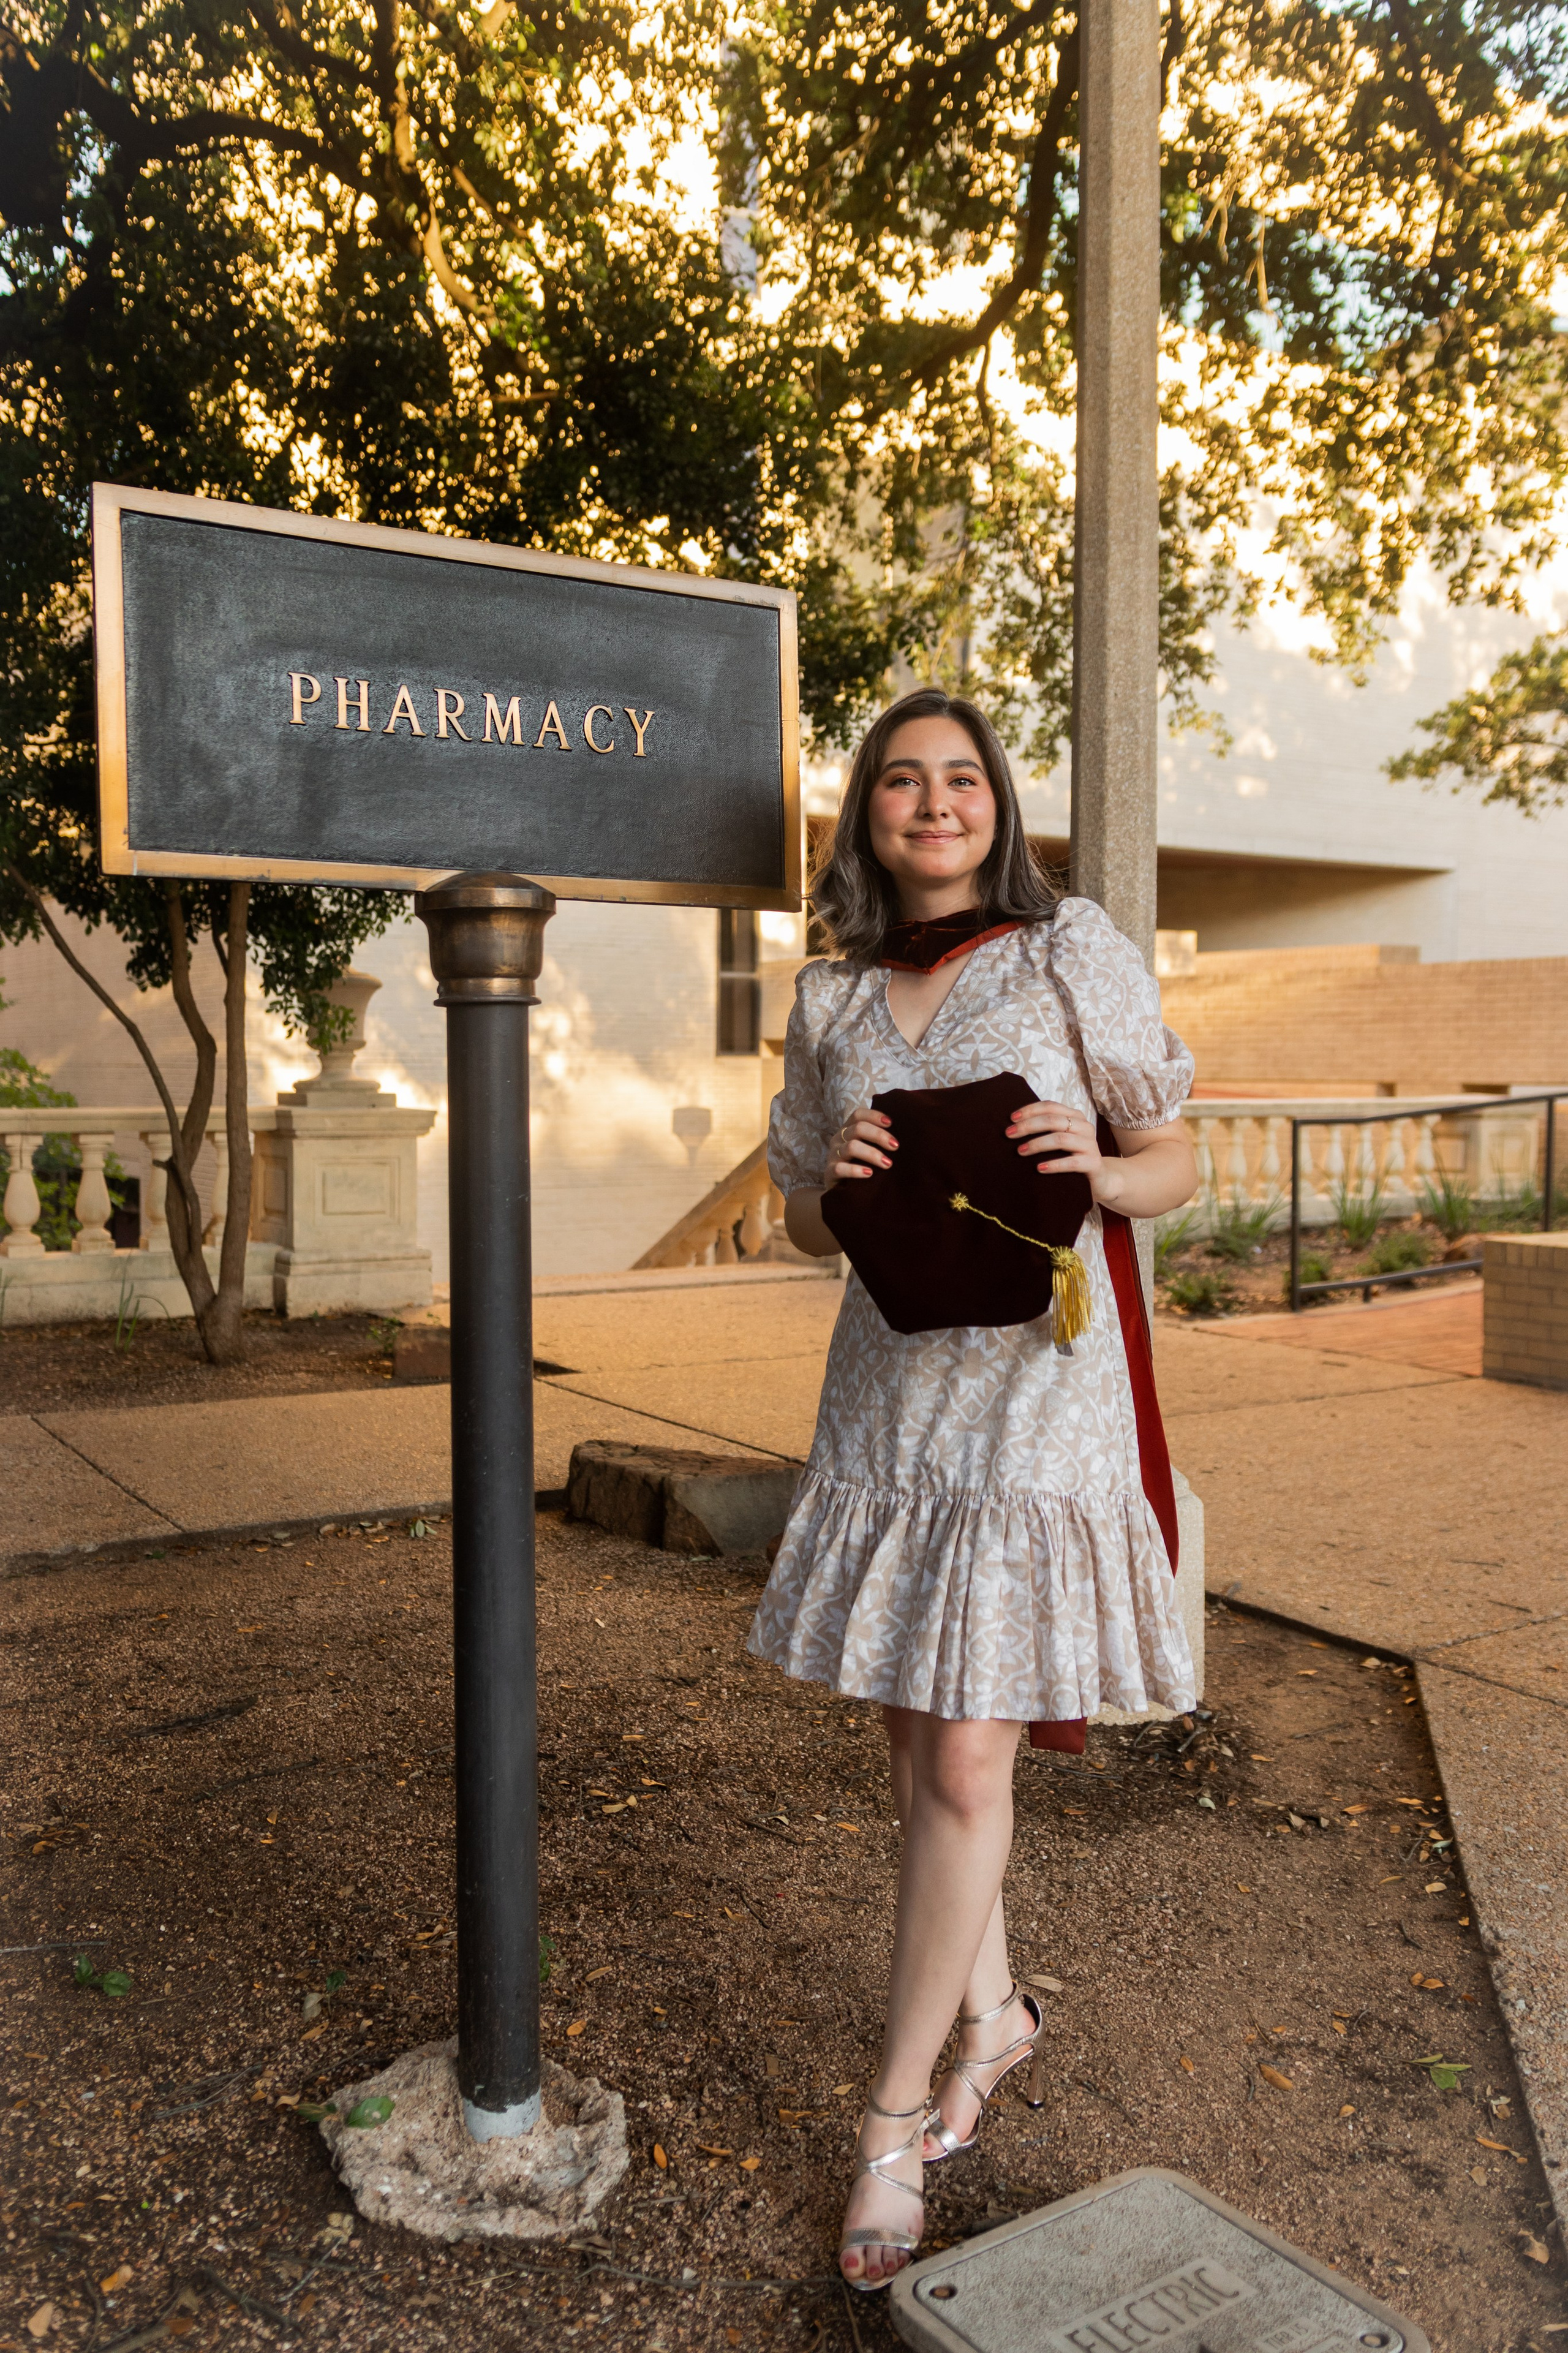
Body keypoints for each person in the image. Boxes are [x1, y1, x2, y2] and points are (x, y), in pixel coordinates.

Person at [747, 687, 1200, 2292]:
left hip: (1034, 1405)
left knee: (958, 1757)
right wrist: (837, 1186)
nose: (932, 804)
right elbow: (803, 1214)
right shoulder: (824, 996)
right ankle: (995, 2017)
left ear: (998, 805)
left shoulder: (1070, 950)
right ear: (865, 812)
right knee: (912, 1729)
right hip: (889, 1397)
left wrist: (1101, 1159)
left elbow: (1174, 1161)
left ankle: (891, 2118)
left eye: (960, 780)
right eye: (899, 782)